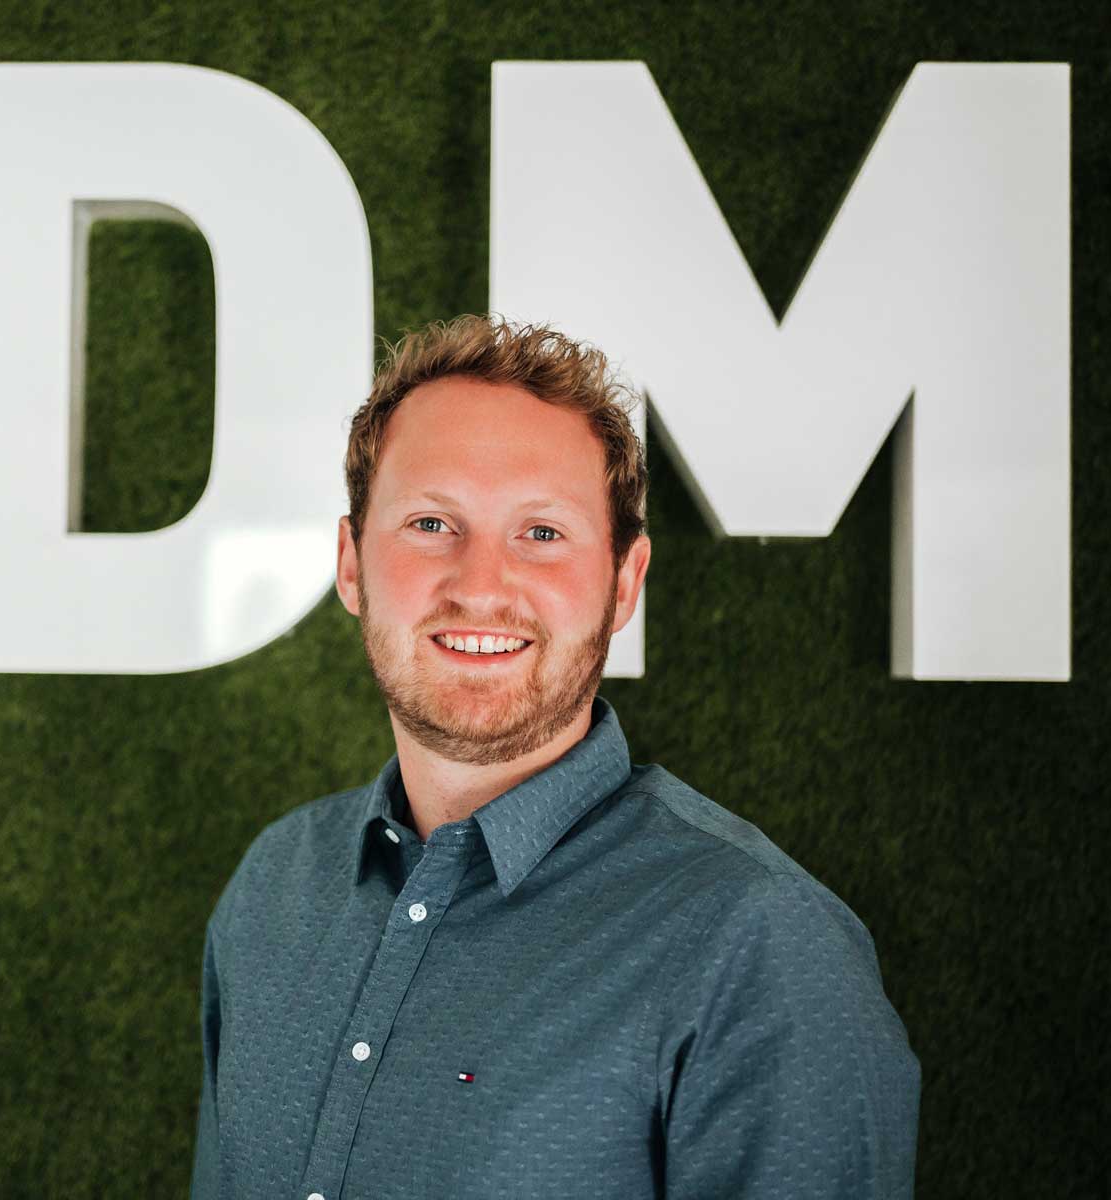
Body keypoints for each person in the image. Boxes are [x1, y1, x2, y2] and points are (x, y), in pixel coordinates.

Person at [189, 314, 920, 1199]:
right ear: (350, 564)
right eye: (431, 521)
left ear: (625, 582)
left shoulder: (760, 945)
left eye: (541, 533)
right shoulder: (273, 891)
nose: (481, 586)